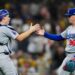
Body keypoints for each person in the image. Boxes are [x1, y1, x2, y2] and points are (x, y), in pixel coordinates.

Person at [0, 9, 40, 75]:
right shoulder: (5, 28)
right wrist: (31, 30)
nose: (9, 18)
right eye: (8, 16)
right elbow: (20, 38)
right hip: (3, 58)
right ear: (3, 18)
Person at [36, 8, 75, 75]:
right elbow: (58, 37)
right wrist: (45, 34)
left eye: (69, 16)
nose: (68, 17)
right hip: (68, 56)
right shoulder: (69, 28)